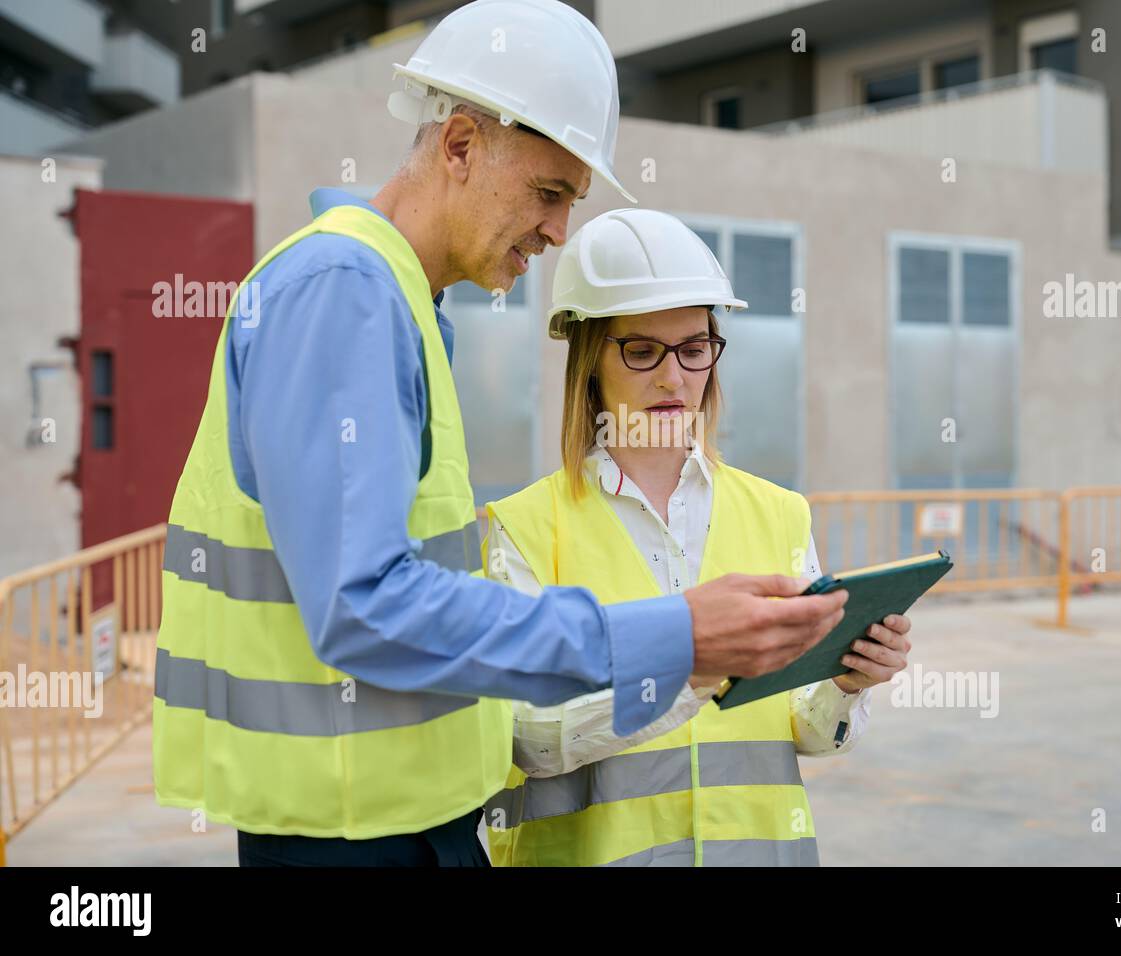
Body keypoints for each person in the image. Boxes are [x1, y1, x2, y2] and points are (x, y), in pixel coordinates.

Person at [152, 0, 846, 867]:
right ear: (459, 146)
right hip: (352, 832)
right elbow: (362, 605)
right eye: (549, 193)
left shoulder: (403, 306)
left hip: (398, 817)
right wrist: (674, 637)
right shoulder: (343, 290)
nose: (558, 232)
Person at [483, 209, 913, 866]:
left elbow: (808, 729)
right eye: (642, 349)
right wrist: (690, 666)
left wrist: (847, 684)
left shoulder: (780, 514)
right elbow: (519, 738)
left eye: (693, 348)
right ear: (590, 357)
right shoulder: (524, 530)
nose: (673, 377)